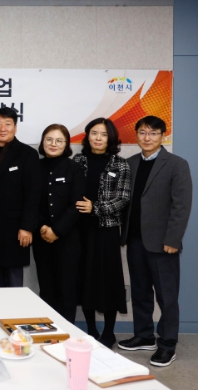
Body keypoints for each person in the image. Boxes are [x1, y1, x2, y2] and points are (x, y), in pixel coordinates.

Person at [118, 116, 192, 367]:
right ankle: (144, 336)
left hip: (163, 244)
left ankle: (167, 345)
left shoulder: (176, 164)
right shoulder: (130, 163)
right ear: (136, 135)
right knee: (140, 292)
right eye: (142, 132)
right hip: (135, 240)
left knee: (166, 297)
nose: (147, 137)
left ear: (163, 136)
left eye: (153, 133)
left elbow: (181, 206)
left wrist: (173, 239)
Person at [73, 118, 129, 348]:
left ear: (111, 138)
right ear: (87, 136)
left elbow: (123, 198)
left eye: (103, 134)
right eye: (94, 133)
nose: (98, 138)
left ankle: (108, 331)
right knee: (85, 278)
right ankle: (91, 329)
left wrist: (95, 208)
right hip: (80, 230)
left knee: (108, 281)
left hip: (106, 231)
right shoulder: (77, 161)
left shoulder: (120, 164)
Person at [0, 107, 40, 288]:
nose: (2, 128)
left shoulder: (28, 154)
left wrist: (27, 227)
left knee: (14, 280)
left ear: (15, 128)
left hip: (16, 229)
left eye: (7, 124)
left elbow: (33, 194)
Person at [34, 124, 85, 323]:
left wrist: (56, 230)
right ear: (42, 142)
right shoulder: (34, 167)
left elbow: (77, 204)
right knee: (46, 289)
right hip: (41, 238)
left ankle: (67, 334)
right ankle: (47, 332)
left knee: (67, 290)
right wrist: (42, 227)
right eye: (49, 139)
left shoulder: (74, 168)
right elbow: (30, 202)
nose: (53, 144)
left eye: (59, 140)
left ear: (66, 144)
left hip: (67, 239)